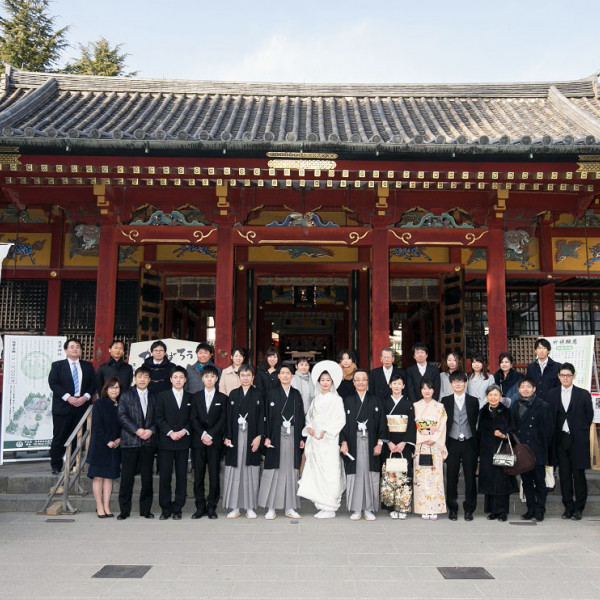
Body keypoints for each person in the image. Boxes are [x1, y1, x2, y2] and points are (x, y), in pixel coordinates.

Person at [298, 361, 347, 519]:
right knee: (316, 471)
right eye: (322, 380)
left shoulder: (336, 399)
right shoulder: (316, 399)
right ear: (318, 382)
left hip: (329, 440)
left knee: (330, 471)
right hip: (315, 440)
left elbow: (340, 419)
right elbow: (309, 417)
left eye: (328, 380)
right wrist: (310, 428)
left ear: (332, 382)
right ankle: (321, 504)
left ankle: (330, 506)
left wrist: (326, 431)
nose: (325, 383)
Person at [546, 363, 594, 520]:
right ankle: (568, 507)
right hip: (560, 440)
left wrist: (579, 431)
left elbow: (589, 416)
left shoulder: (583, 394)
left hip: (578, 440)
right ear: (558, 376)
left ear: (574, 376)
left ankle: (579, 508)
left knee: (578, 475)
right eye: (562, 375)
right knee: (564, 475)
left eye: (568, 375)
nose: (565, 378)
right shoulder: (551, 394)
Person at [258, 365, 306, 519]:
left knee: (291, 471)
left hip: (292, 435)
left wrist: (301, 437)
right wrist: (267, 436)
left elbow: (300, 417)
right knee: (274, 471)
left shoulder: (296, 394)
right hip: (275, 436)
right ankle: (271, 507)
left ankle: (290, 507)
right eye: (282, 373)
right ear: (278, 376)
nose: (285, 376)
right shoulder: (272, 394)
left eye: (288, 373)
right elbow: (266, 416)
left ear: (292, 376)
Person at [340, 369, 386, 521]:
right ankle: (356, 508)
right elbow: (342, 424)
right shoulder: (347, 400)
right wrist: (343, 441)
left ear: (368, 382)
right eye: (357, 379)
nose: (360, 382)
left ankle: (369, 508)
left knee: (370, 475)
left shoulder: (376, 400)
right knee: (356, 475)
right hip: (353, 442)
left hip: (371, 442)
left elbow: (381, 424)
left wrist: (380, 443)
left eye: (363, 379)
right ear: (353, 383)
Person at [48, 338, 96, 475]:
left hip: (81, 406)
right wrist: (68, 397)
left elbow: (93, 384)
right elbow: (53, 383)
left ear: (81, 351)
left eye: (78, 347)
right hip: (63, 406)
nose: (75, 349)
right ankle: (56, 465)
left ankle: (73, 463)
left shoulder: (87, 366)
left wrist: (85, 397)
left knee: (77, 437)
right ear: (65, 350)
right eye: (72, 347)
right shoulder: (57, 366)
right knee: (59, 436)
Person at [222, 365, 264, 519]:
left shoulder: (258, 394)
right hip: (235, 436)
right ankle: (235, 506)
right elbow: (228, 416)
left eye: (248, 375)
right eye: (243, 375)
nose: (245, 378)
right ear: (238, 377)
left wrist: (259, 436)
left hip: (252, 435)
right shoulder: (233, 394)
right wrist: (227, 436)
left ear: (253, 377)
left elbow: (261, 417)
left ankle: (250, 506)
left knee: (250, 471)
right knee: (235, 471)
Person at [117, 365, 157, 520]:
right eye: (140, 376)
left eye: (146, 377)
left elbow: (158, 417)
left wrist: (151, 430)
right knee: (127, 479)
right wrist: (137, 430)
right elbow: (122, 416)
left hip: (148, 443)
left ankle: (145, 510)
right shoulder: (126, 395)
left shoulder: (154, 396)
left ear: (149, 379)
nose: (142, 379)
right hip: (130, 442)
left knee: (147, 479)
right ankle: (124, 510)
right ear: (135, 378)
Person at [511, 378, 553, 521]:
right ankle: (530, 509)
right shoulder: (516, 405)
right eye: (522, 387)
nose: (525, 389)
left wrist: (547, 451)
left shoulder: (543, 405)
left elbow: (549, 430)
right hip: (523, 450)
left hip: (538, 449)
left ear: (534, 389)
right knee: (526, 481)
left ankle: (540, 509)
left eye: (528, 386)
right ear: (519, 390)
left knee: (540, 481)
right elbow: (513, 427)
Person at [154, 366, 192, 520]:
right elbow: (158, 417)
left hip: (183, 442)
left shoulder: (191, 397)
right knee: (165, 476)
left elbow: (193, 418)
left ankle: (178, 508)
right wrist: (170, 432)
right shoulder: (162, 396)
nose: (178, 380)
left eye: (181, 377)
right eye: (175, 377)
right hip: (166, 442)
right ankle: (165, 508)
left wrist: (183, 431)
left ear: (185, 380)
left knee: (182, 476)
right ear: (170, 379)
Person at [441, 371, 480, 521]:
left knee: (470, 477)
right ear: (450, 384)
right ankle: (453, 508)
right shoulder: (445, 401)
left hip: (469, 442)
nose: (458, 384)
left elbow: (475, 420)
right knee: (451, 477)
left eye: (460, 381)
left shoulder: (473, 401)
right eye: (454, 381)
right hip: (452, 441)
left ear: (465, 383)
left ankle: (469, 509)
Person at [190, 365, 226, 520]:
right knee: (198, 475)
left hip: (215, 442)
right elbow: (193, 418)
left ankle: (212, 506)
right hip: (199, 441)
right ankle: (200, 506)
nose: (209, 379)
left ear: (216, 379)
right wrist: (203, 434)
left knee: (214, 476)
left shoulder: (222, 398)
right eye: (206, 376)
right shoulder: (195, 397)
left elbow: (222, 420)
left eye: (212, 376)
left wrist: (211, 435)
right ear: (202, 378)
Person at [477, 385, 517, 522]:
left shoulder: (506, 411)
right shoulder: (483, 411)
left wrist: (504, 435)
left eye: (496, 395)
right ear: (487, 396)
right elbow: (479, 431)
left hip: (502, 449)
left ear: (500, 397)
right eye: (490, 395)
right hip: (487, 450)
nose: (493, 397)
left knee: (502, 481)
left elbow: (513, 430)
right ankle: (492, 510)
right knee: (489, 480)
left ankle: (502, 511)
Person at [380, 372, 415, 519]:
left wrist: (404, 442)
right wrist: (388, 442)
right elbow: (382, 422)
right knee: (389, 476)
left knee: (404, 476)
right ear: (390, 385)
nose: (396, 386)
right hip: (389, 443)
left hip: (403, 444)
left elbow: (412, 425)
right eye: (394, 383)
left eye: (399, 384)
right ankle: (391, 507)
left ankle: (403, 507)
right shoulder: (384, 403)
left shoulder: (408, 404)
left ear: (403, 386)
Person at [86, 378, 121, 518]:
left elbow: (123, 424)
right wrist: (108, 441)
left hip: (115, 445)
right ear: (106, 389)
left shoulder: (120, 405)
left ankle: (106, 505)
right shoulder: (99, 403)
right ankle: (99, 505)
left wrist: (119, 439)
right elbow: (97, 425)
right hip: (100, 445)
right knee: (98, 477)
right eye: (111, 387)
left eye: (117, 387)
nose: (114, 390)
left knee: (109, 478)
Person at [413, 379, 447, 519]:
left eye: (429, 388)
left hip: (434, 446)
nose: (427, 391)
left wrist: (433, 439)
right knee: (421, 477)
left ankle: (435, 508)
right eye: (424, 388)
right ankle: (422, 508)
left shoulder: (440, 407)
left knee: (435, 477)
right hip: (420, 446)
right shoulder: (415, 406)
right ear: (420, 390)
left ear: (434, 390)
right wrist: (422, 439)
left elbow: (442, 425)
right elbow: (412, 425)